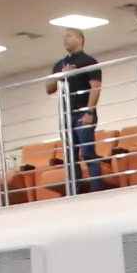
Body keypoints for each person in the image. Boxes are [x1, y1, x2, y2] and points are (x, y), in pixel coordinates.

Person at [47, 27, 104, 192]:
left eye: (69, 36)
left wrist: (90, 112)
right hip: (66, 114)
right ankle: (75, 191)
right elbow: (48, 88)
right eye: (64, 36)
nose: (65, 39)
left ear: (80, 39)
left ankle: (96, 189)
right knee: (70, 155)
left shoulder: (89, 61)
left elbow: (96, 87)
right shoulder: (60, 64)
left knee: (87, 152)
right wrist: (61, 75)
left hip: (83, 112)